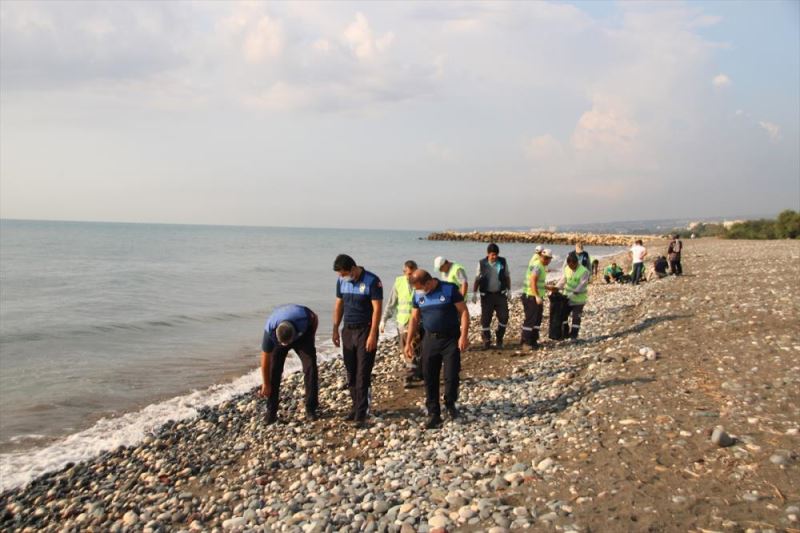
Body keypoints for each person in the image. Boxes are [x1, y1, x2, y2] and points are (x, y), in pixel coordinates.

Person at [405, 270, 469, 429]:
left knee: (451, 375)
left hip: (450, 339)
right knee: (429, 377)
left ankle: (450, 402)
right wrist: (408, 342)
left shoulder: (449, 289)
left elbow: (463, 312)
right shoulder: (418, 294)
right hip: (430, 340)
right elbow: (414, 318)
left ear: (428, 282)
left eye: (421, 288)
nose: (420, 292)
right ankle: (434, 413)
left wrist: (464, 335)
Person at [332, 254, 383, 428]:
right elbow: (339, 305)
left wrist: (373, 334)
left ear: (353, 269)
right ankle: (355, 407)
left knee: (363, 373)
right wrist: (335, 328)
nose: (341, 276)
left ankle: (361, 413)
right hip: (348, 330)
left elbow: (377, 309)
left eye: (343, 273)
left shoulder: (372, 281)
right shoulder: (341, 282)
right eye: (340, 274)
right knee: (351, 372)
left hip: (365, 330)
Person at [258, 304, 319, 424]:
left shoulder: (304, 318)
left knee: (310, 367)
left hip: (303, 336)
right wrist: (265, 384)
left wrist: (311, 338)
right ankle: (271, 413)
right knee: (274, 370)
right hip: (281, 336)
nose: (287, 346)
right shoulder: (270, 330)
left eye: (288, 343)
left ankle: (311, 408)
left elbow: (315, 319)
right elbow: (265, 360)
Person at [380, 260, 423, 388]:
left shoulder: (422, 281)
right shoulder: (399, 282)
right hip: (403, 322)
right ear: (404, 272)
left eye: (413, 273)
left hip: (420, 321)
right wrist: (384, 320)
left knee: (418, 349)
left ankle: (416, 373)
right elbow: (391, 303)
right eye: (408, 273)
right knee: (407, 349)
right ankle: (411, 374)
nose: (411, 276)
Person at [472, 243, 511, 349]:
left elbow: (507, 276)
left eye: (496, 255)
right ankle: (487, 340)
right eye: (492, 255)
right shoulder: (481, 263)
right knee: (485, 320)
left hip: (500, 295)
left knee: (504, 317)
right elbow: (477, 279)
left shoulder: (502, 262)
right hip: (487, 296)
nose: (495, 257)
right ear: (487, 254)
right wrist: (474, 293)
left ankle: (499, 338)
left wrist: (509, 290)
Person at [521, 248, 553, 350]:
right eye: (545, 258)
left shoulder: (542, 266)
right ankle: (525, 342)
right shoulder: (538, 266)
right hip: (531, 296)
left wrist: (547, 287)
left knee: (537, 319)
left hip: (534, 295)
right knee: (531, 319)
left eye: (548, 259)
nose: (546, 260)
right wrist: (536, 296)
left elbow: (538, 282)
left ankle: (533, 340)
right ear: (542, 257)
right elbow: (533, 281)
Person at [555, 252, 590, 340]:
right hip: (567, 298)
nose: (571, 267)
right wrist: (556, 288)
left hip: (579, 300)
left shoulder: (584, 271)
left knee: (576, 318)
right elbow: (563, 280)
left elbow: (582, 285)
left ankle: (574, 335)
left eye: (573, 266)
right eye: (569, 265)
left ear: (576, 263)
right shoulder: (567, 268)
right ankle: (565, 333)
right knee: (563, 315)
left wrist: (573, 293)